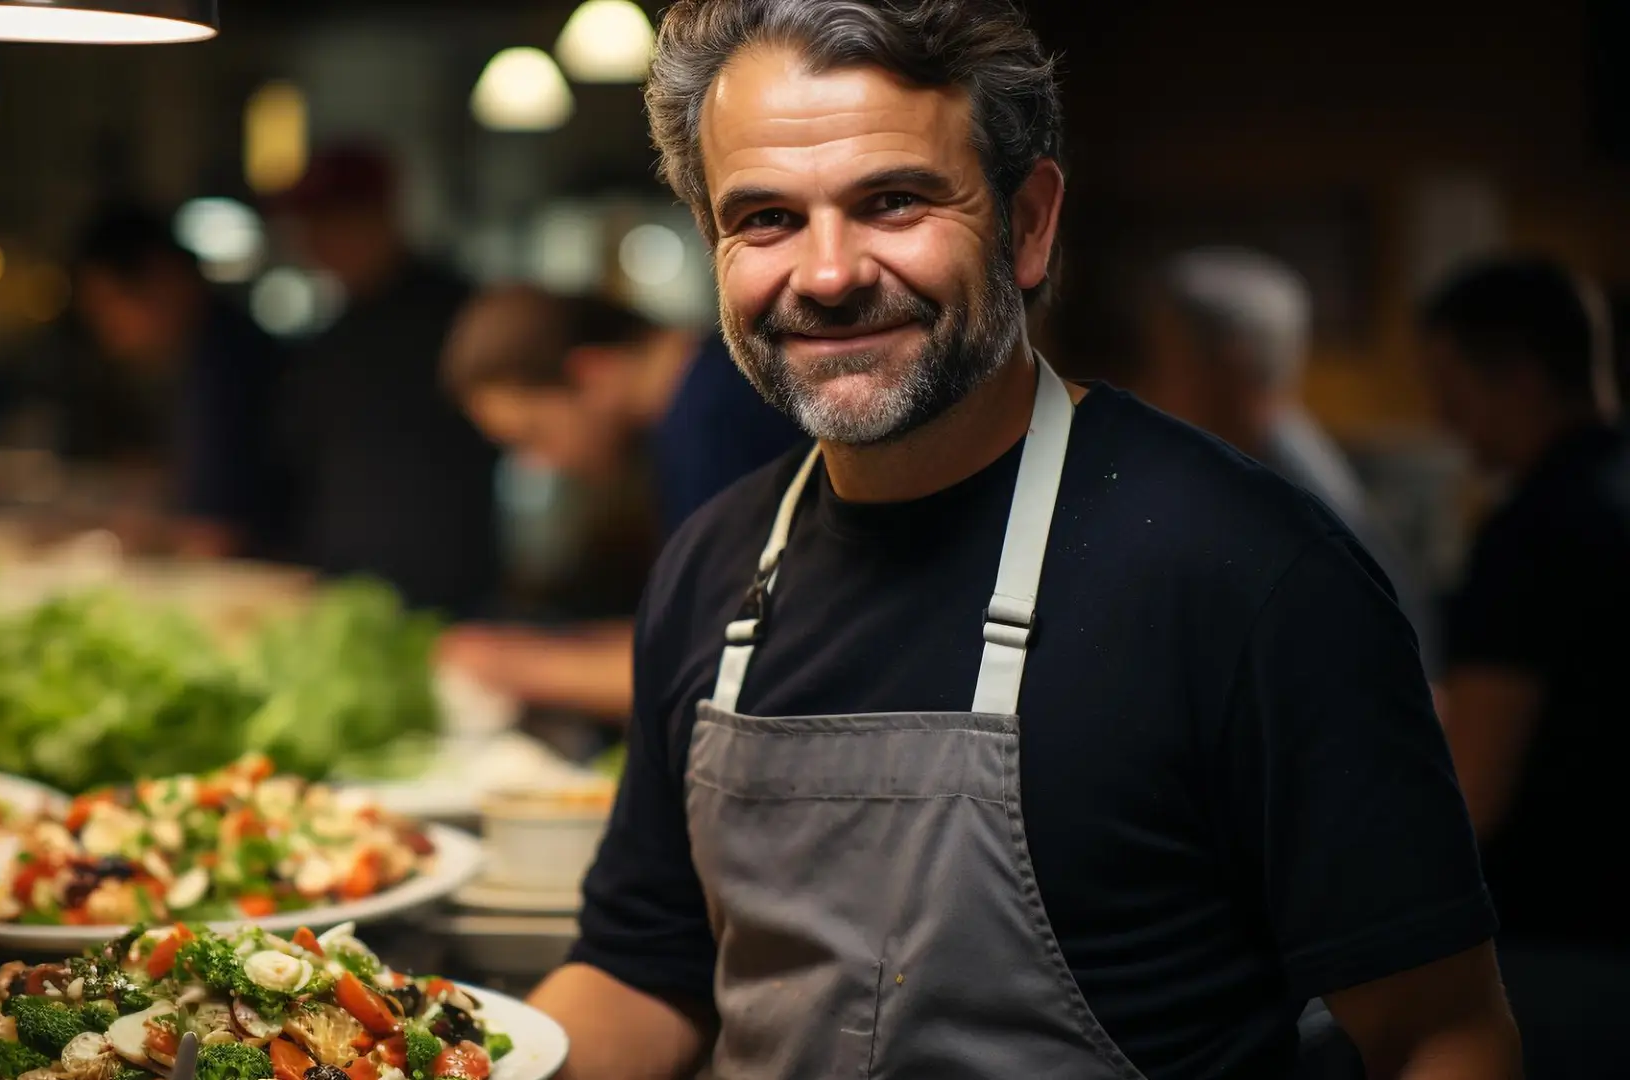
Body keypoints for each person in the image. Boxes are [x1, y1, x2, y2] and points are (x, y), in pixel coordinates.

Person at [525, 3, 1520, 1079]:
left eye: (894, 201)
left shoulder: (1250, 573)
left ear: (1030, 221)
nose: (825, 274)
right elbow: (643, 972)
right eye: (763, 218)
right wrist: (434, 1049)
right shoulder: (714, 565)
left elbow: (1442, 1035)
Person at [1419, 256, 1629, 1079]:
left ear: (1521, 377)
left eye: (1451, 384)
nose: (1443, 418)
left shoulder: (1533, 534)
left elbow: (1476, 793)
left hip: (1562, 944)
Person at [434, 284, 802, 719]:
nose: (536, 464)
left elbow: (719, 665)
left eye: (532, 435)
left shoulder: (711, 423)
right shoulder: (702, 392)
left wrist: (516, 665)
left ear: (591, 374)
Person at [1132, 247, 1441, 674]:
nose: (1150, 388)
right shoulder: (1245, 467)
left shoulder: (1293, 500)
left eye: (1166, 362)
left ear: (1226, 366)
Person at [0, 204, 287, 557]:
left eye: (108, 306)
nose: (108, 333)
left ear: (162, 278)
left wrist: (97, 533)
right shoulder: (207, 352)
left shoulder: (226, 366)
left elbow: (215, 535)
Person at [264, 144, 500, 614]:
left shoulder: (460, 319)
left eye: (334, 219)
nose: (315, 239)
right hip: (339, 591)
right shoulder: (331, 340)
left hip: (447, 600)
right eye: (308, 223)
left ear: (385, 214)